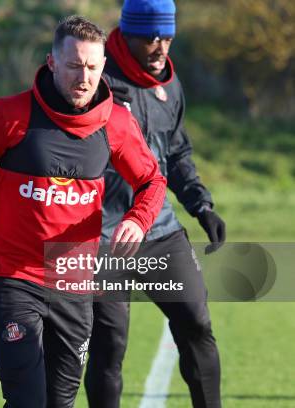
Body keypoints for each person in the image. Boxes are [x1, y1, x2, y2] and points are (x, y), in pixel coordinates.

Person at [0, 15, 167, 408]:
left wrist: (138, 218)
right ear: (52, 62)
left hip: (73, 279)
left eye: (93, 67)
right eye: (75, 65)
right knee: (27, 399)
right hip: (11, 276)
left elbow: (151, 180)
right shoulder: (9, 115)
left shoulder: (115, 121)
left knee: (60, 402)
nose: (85, 77)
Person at [83, 1, 225, 407]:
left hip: (159, 230)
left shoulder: (169, 83)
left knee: (197, 325)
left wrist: (201, 205)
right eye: (149, 37)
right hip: (104, 237)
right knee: (109, 344)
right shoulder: (95, 79)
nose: (159, 46)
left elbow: (176, 153)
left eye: (166, 36)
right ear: (126, 34)